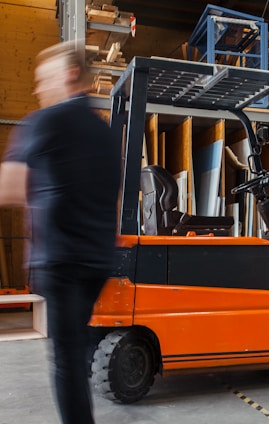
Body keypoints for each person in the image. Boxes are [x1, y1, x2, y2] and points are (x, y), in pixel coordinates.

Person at [0, 41, 121, 424]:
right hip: (97, 260)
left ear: (69, 74)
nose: (38, 89)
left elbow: (10, 189)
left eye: (43, 79)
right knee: (75, 349)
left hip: (62, 260)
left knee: (66, 361)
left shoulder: (46, 121)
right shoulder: (105, 135)